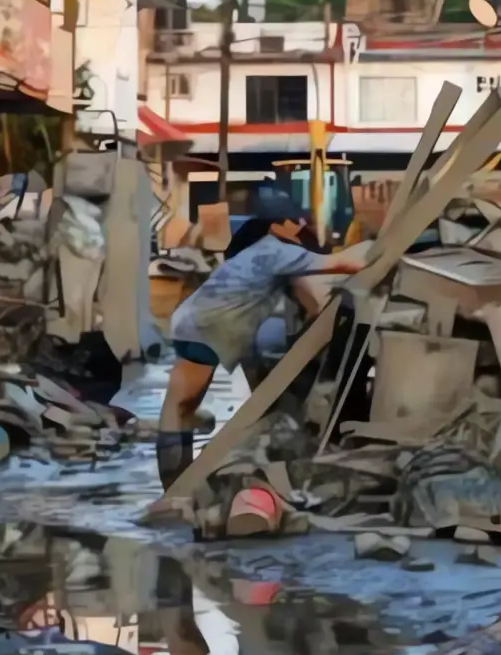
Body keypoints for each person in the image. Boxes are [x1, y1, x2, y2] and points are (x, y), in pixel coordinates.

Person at [156, 194, 369, 486]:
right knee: (179, 406)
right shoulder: (276, 251)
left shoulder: (262, 250)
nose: (299, 226)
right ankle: (173, 481)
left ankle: (178, 476)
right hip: (205, 328)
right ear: (277, 225)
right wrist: (378, 256)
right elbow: (341, 265)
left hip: (196, 324)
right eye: (294, 221)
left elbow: (308, 297)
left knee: (183, 406)